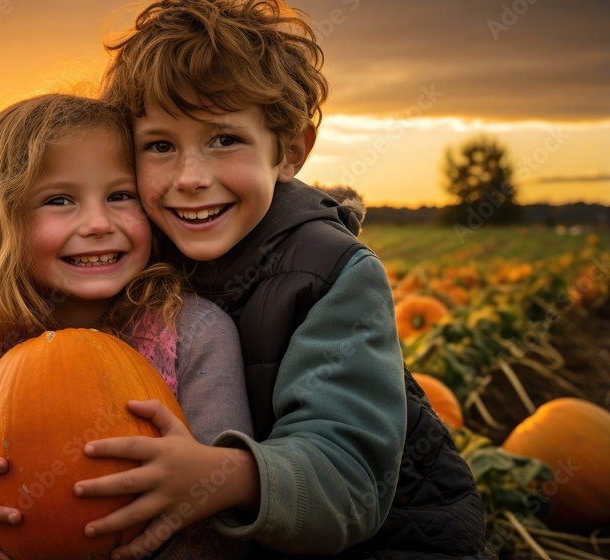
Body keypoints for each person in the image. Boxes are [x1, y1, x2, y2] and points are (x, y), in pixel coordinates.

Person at [70, 0, 490, 558]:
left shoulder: (332, 275)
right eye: (160, 145)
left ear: (289, 150)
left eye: (224, 139)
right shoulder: (128, 248)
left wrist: (220, 475)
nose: (190, 179)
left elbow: (349, 479)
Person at [0, 93, 253, 560]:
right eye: (59, 200)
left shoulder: (193, 331)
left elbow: (218, 490)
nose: (97, 223)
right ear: (2, 222)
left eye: (120, 196)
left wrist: (206, 480)